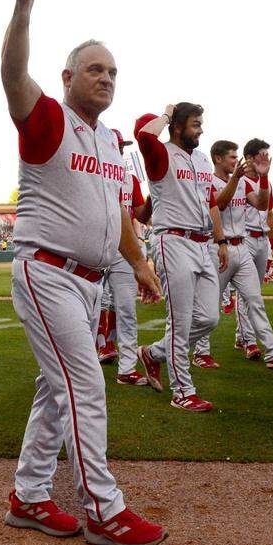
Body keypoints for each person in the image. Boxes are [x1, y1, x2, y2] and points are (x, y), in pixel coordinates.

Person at [0, 0, 166, 545]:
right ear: (68, 78)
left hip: (90, 278)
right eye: (94, 68)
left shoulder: (108, 141)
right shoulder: (49, 120)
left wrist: (140, 262)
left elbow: (117, 211)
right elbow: (14, 76)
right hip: (47, 272)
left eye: (113, 72)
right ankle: (102, 509)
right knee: (83, 387)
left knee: (57, 390)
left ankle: (30, 495)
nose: (106, 77)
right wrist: (23, 9)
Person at [135, 102, 221, 411]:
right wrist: (168, 114)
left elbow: (212, 201)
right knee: (179, 322)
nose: (200, 129)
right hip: (173, 241)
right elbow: (144, 135)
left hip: (201, 243)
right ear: (177, 126)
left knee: (210, 317)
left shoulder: (201, 159)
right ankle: (182, 391)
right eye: (195, 123)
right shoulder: (161, 154)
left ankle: (154, 353)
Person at [194, 140, 273, 369]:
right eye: (232, 157)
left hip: (241, 246)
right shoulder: (209, 181)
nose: (237, 161)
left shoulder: (243, 182)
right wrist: (235, 180)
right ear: (218, 159)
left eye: (236, 156)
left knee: (255, 299)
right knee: (210, 304)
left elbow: (262, 205)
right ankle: (200, 352)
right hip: (218, 248)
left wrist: (263, 178)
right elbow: (220, 204)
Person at [95, 128, 154, 385]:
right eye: (117, 145)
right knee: (90, 306)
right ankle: (90, 359)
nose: (120, 150)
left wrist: (155, 194)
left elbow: (141, 214)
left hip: (124, 248)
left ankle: (127, 368)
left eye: (122, 146)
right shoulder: (92, 172)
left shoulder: (130, 178)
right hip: (95, 244)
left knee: (127, 308)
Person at [231, 137, 273, 363]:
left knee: (253, 291)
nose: (266, 159)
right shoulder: (240, 182)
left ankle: (241, 336)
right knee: (247, 292)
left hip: (260, 240)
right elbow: (259, 205)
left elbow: (268, 214)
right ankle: (249, 340)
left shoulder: (265, 183)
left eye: (267, 155)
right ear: (249, 158)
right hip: (245, 237)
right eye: (261, 155)